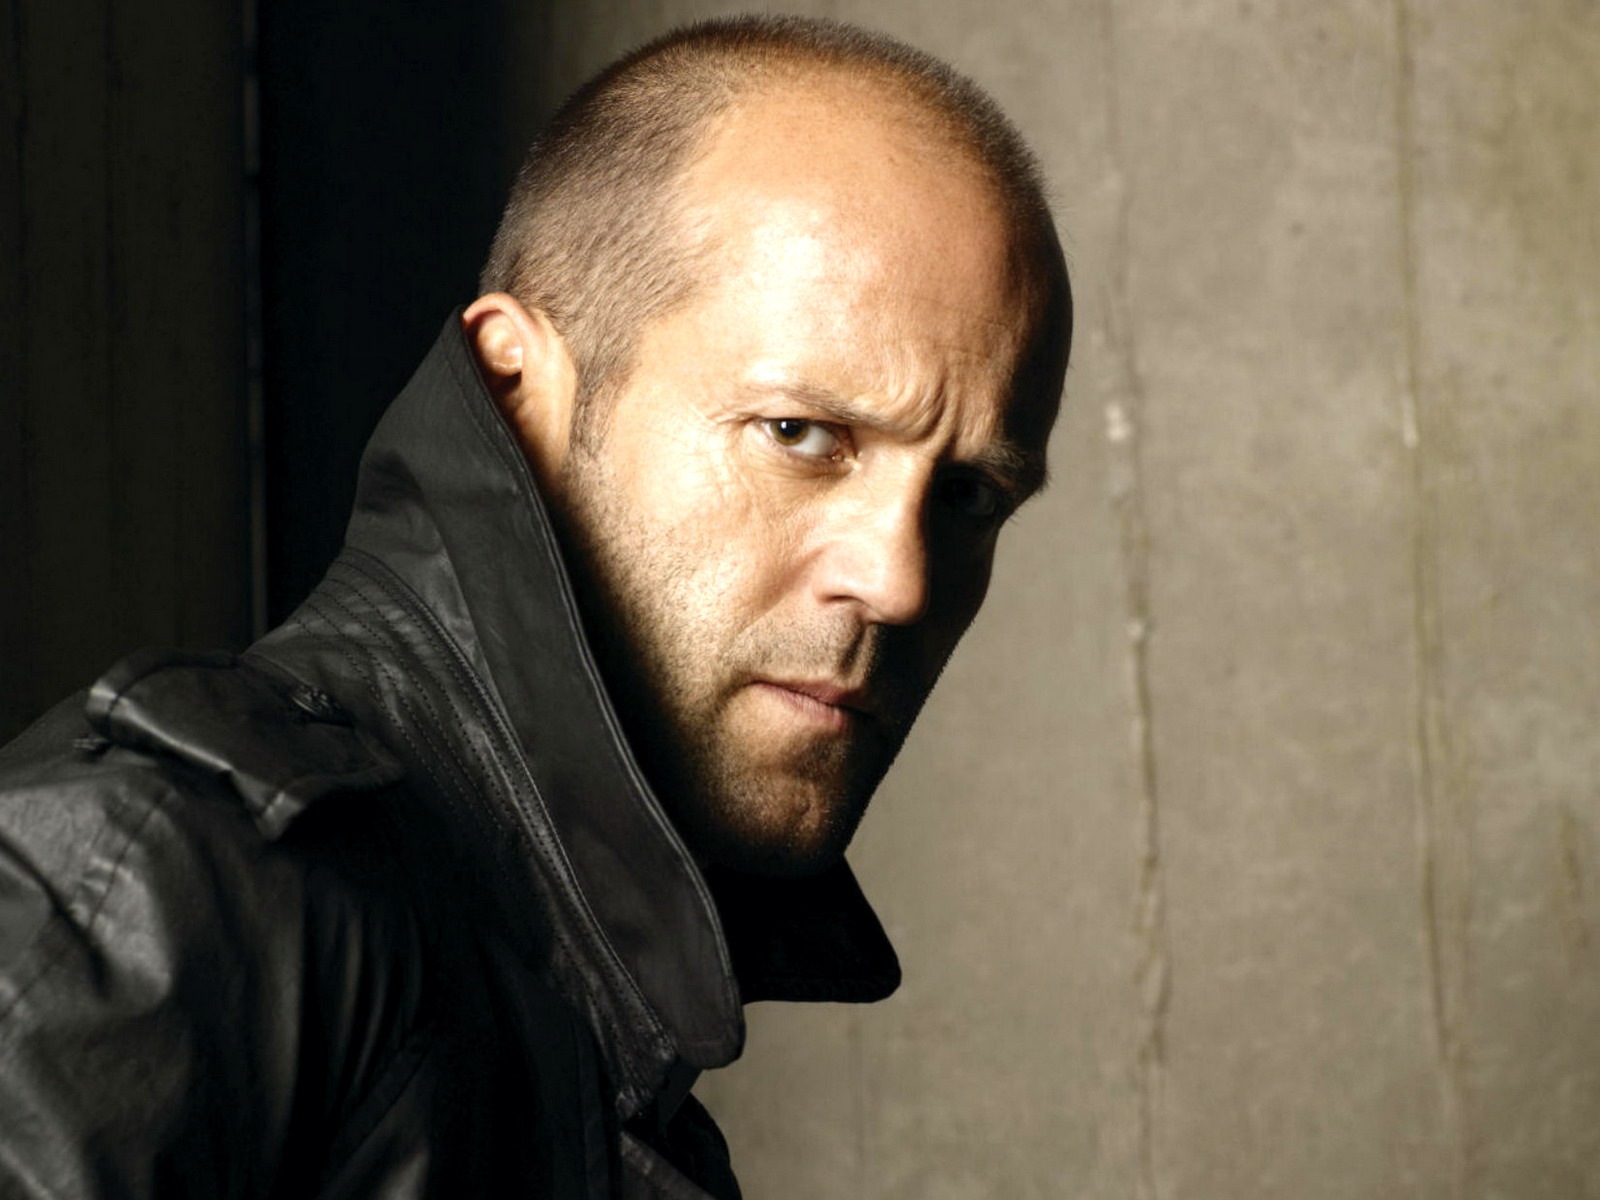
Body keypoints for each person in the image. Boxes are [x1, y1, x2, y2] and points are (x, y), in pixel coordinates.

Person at [0, 15, 1070, 1199]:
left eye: (967, 496)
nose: (899, 580)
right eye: (800, 433)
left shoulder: (598, 1043)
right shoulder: (153, 886)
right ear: (518, 390)